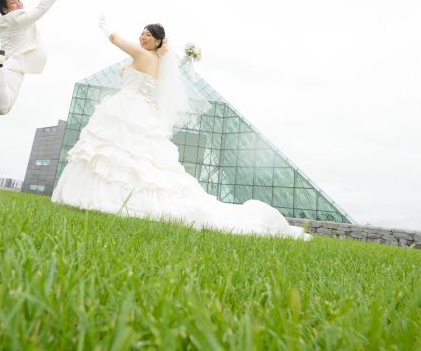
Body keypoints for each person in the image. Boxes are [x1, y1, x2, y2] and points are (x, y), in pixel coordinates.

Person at [51, 15, 312, 240]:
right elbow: (168, 69)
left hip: (128, 107)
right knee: (130, 157)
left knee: (117, 154)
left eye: (148, 35)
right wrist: (184, 60)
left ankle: (112, 195)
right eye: (141, 33)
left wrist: (103, 24)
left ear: (158, 42)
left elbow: (114, 39)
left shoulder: (142, 54)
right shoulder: (159, 61)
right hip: (139, 109)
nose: (142, 37)